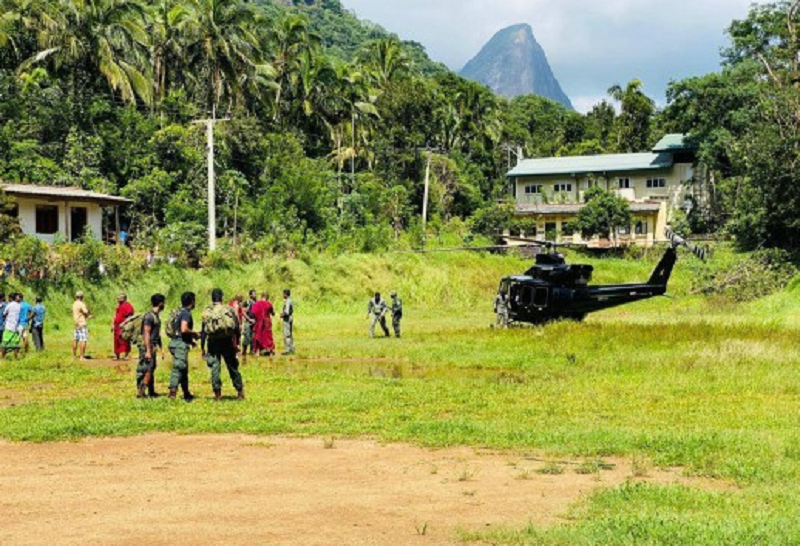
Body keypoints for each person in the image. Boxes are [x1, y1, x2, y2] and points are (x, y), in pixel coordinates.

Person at [201, 288, 244, 400]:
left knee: (215, 368)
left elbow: (203, 332)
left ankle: (217, 394)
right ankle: (240, 391)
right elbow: (237, 328)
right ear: (222, 297)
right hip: (227, 341)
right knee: (232, 366)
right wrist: (237, 343)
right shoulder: (228, 310)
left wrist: (202, 348)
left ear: (212, 298)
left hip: (213, 342)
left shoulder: (207, 311)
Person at [168, 292, 199, 401]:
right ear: (192, 301)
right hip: (180, 344)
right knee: (178, 368)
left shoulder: (179, 312)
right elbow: (184, 329)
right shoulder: (186, 313)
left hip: (176, 342)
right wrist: (194, 333)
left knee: (183, 369)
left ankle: (186, 393)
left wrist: (191, 341)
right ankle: (172, 393)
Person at [136, 294, 166, 398]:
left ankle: (151, 391)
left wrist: (161, 347)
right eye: (164, 302)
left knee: (152, 368)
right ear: (160, 303)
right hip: (147, 346)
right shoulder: (149, 316)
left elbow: (156, 333)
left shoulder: (156, 316)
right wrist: (148, 350)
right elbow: (146, 333)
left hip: (153, 345)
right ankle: (141, 392)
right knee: (147, 369)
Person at [251, 292, 276, 356]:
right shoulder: (269, 304)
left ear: (262, 297)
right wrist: (273, 313)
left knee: (258, 335)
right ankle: (270, 351)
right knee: (268, 336)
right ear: (267, 297)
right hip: (267, 322)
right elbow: (272, 313)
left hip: (259, 322)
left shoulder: (256, 304)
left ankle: (257, 352)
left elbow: (253, 313)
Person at [112, 294, 134, 360]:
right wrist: (112, 324)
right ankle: (117, 355)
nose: (117, 299)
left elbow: (130, 316)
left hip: (124, 326)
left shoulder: (128, 305)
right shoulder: (118, 306)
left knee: (125, 340)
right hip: (117, 326)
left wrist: (124, 323)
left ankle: (126, 355)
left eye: (119, 298)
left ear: (123, 298)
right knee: (116, 340)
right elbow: (115, 315)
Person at [72, 291, 92, 360]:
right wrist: (89, 314)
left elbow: (80, 313)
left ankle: (74, 356)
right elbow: (86, 312)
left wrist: (86, 316)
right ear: (82, 297)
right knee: (83, 340)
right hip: (82, 323)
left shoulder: (74, 304)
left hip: (76, 324)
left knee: (75, 339)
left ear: (76, 297)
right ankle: (81, 357)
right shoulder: (81, 304)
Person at [2, 293, 22, 359]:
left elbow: (4, 314)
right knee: (15, 343)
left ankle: (3, 357)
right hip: (16, 327)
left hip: (8, 326)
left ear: (10, 298)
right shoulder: (19, 305)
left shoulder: (9, 305)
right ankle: (15, 357)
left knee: (5, 342)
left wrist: (6, 316)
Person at [240, 290, 257, 358]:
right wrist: (249, 319)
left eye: (255, 294)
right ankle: (244, 351)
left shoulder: (256, 302)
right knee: (246, 336)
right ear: (250, 295)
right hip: (247, 322)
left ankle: (252, 351)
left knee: (253, 337)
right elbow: (243, 312)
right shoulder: (246, 302)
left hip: (254, 322)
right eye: (254, 294)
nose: (255, 295)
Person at [281, 289, 295, 355]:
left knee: (287, 335)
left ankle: (288, 350)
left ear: (285, 294)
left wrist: (281, 315)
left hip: (287, 318)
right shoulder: (290, 300)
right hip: (291, 317)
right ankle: (292, 349)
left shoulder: (287, 301)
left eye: (283, 294)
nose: (283, 295)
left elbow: (286, 312)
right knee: (290, 334)